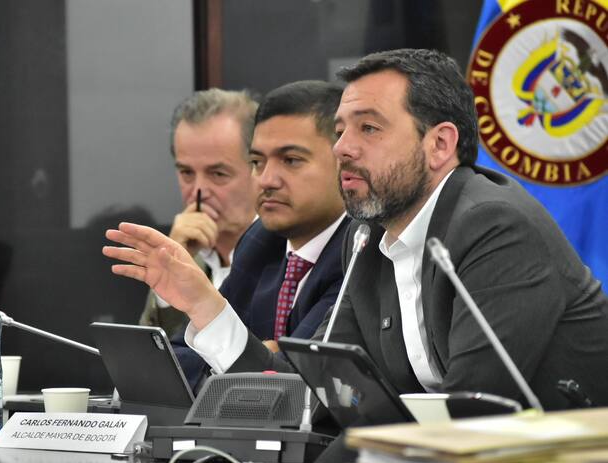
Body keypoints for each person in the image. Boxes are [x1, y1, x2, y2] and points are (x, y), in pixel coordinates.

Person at [105, 50, 608, 410]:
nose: (342, 148)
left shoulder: (494, 226)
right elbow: (310, 395)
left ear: (439, 145)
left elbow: (474, 414)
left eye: (368, 128)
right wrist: (202, 304)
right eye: (341, 129)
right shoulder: (367, 238)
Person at [105, 80, 349, 387]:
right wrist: (256, 356)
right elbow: (157, 372)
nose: (267, 179)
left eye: (291, 160)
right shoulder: (261, 243)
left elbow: (290, 387)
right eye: (258, 162)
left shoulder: (361, 252)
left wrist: (241, 357)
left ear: (346, 163)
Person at [138, 89, 259, 337]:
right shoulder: (185, 255)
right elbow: (145, 356)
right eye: (186, 173)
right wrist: (168, 276)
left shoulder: (287, 258)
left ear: (258, 169)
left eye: (218, 174)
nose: (199, 191)